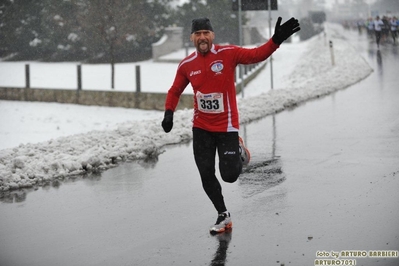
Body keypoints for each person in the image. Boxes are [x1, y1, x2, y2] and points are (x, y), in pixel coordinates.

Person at [161, 17, 300, 234]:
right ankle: (223, 215)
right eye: (197, 34)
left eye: (206, 33)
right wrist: (169, 112)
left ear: (213, 36)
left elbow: (256, 54)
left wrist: (275, 40)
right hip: (201, 126)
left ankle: (237, 147)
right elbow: (175, 90)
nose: (202, 37)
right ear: (192, 38)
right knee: (205, 173)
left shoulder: (227, 54)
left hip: (226, 127)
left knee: (229, 176)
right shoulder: (187, 65)